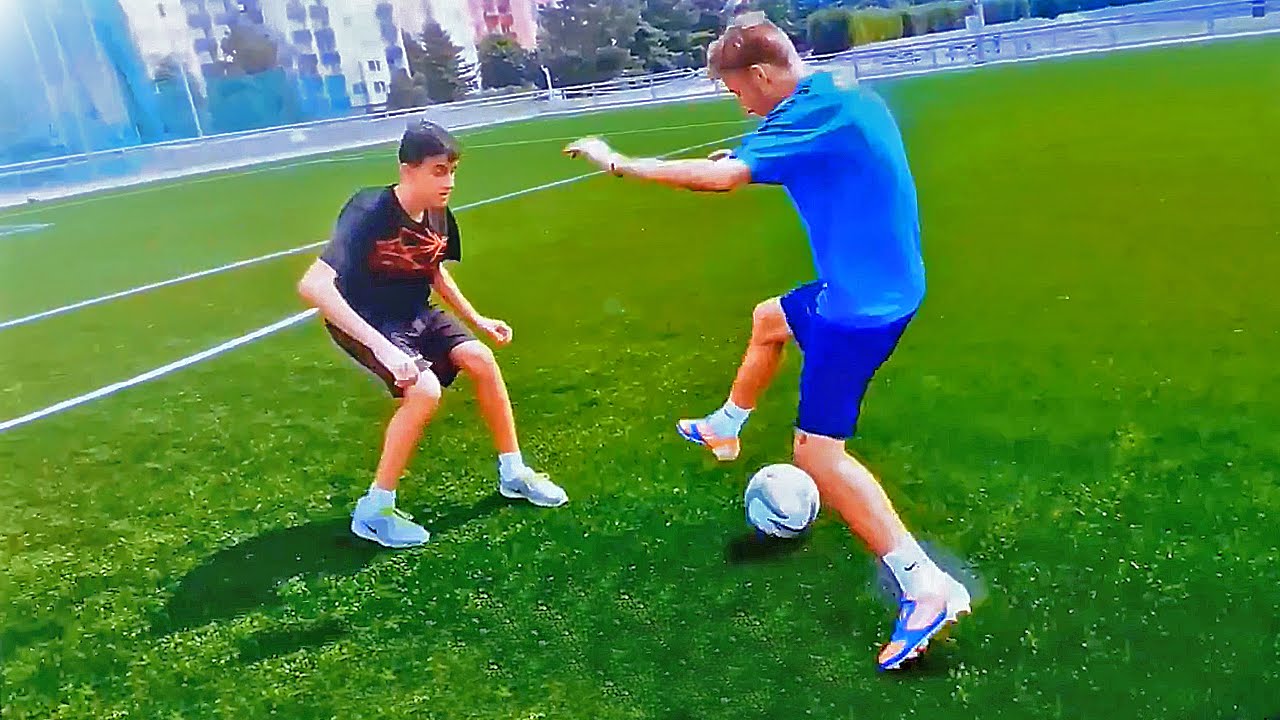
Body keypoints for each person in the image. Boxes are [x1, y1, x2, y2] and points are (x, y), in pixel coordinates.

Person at [563, 12, 971, 670]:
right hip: (876, 283)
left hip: (861, 308)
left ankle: (925, 586)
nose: (741, 105)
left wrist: (621, 164)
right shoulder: (832, 95)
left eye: (737, 92)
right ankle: (725, 427)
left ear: (759, 73)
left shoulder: (812, 114)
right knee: (769, 319)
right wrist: (740, 157)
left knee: (818, 456)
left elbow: (725, 181)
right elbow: (804, 157)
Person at [298, 119, 568, 549]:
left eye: (453, 171)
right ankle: (374, 510)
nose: (449, 182)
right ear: (408, 170)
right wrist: (386, 351)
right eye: (439, 171)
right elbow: (313, 286)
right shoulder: (369, 210)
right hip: (366, 319)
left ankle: (513, 473)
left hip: (414, 311)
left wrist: (478, 320)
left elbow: (433, 269)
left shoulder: (440, 215)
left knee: (481, 360)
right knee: (424, 391)